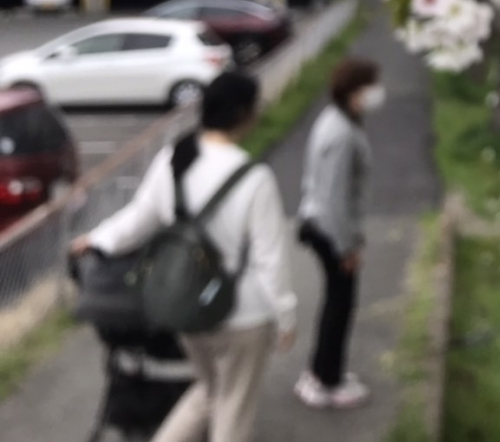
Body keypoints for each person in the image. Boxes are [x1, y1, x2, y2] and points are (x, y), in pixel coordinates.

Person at [71, 71, 297, 442]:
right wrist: (285, 317)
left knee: (208, 393)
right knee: (233, 406)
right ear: (244, 114)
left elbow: (137, 221)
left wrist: (96, 239)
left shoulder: (173, 159)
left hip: (188, 307)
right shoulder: (254, 178)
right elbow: (271, 259)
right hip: (243, 315)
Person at [294, 57, 381, 409]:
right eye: (371, 87)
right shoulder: (342, 134)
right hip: (330, 230)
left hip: (325, 226)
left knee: (338, 302)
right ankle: (324, 379)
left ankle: (323, 372)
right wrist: (347, 247)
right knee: (339, 304)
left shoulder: (338, 121)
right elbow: (334, 198)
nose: (377, 94)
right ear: (355, 92)